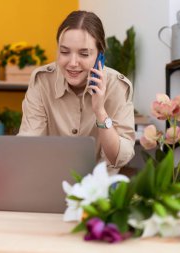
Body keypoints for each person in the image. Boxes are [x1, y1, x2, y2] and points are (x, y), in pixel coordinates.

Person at [18, 10, 135, 174]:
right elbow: (29, 141)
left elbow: (120, 157)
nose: (72, 63)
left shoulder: (117, 86)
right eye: (64, 52)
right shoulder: (42, 80)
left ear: (100, 56)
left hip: (99, 190)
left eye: (84, 54)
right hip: (50, 183)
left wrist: (100, 112)